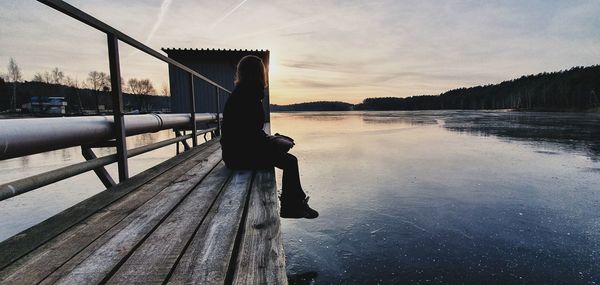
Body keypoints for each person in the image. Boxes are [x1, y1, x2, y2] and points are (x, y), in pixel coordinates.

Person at [220, 55, 318, 219]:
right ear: (258, 73)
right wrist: (274, 143)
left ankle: (296, 202)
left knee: (287, 158)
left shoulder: (244, 93)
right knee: (290, 161)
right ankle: (291, 207)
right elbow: (249, 137)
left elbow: (250, 132)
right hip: (238, 156)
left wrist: (273, 140)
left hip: (236, 152)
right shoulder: (247, 96)